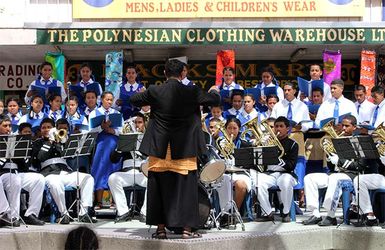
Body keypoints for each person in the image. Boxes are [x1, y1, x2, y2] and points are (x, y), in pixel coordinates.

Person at [130, 59, 220, 239]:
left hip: (160, 149)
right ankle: (187, 230)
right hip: (184, 149)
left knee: (159, 190)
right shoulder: (192, 90)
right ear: (183, 74)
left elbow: (133, 100)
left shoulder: (155, 90)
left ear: (164, 73)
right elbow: (214, 100)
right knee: (186, 191)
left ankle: (161, 230)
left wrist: (143, 93)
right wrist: (214, 91)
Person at [31, 118, 95, 224]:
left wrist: (61, 142)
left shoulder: (61, 140)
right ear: (40, 130)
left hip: (65, 172)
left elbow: (69, 156)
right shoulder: (37, 143)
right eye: (43, 128)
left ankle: (84, 212)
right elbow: (41, 157)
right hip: (49, 173)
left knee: (88, 178)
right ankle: (63, 213)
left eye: (49, 127)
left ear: (54, 129)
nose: (46, 130)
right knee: (55, 183)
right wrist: (50, 142)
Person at [252, 116, 299, 223]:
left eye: (281, 126)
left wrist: (278, 160)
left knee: (285, 182)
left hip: (286, 173)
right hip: (270, 174)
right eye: (276, 126)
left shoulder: (293, 144)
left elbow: (291, 165)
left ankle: (286, 212)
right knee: (258, 183)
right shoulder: (268, 142)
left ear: (287, 128)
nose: (278, 129)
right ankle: (268, 213)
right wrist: (260, 146)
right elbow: (259, 162)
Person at [108, 113, 147, 223]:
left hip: (142, 172)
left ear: (144, 124)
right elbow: (113, 159)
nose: (137, 125)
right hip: (126, 172)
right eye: (135, 122)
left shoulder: (148, 138)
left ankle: (145, 213)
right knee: (112, 178)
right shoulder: (124, 138)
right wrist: (119, 147)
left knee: (154, 180)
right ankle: (123, 212)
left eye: (139, 122)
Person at [89, 91, 123, 210]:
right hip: (101, 145)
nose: (109, 102)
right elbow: (90, 131)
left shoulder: (117, 113)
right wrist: (101, 128)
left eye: (111, 100)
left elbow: (122, 130)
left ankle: (113, 202)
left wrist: (112, 131)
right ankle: (99, 202)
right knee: (100, 170)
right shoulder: (94, 113)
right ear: (101, 100)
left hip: (113, 144)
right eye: (107, 99)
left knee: (113, 170)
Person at [215, 118, 252, 218]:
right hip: (225, 173)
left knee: (241, 185)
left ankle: (234, 213)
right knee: (223, 181)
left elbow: (248, 163)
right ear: (225, 129)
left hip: (240, 173)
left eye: (234, 128)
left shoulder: (245, 143)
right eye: (229, 128)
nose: (232, 131)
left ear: (239, 129)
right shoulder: (220, 142)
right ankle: (225, 212)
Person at [0, 114, 22, 226]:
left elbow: (24, 165)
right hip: (1, 172)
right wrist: (5, 156)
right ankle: (4, 213)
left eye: (9, 126)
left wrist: (18, 151)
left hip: (13, 171)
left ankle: (14, 217)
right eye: (5, 126)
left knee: (16, 181)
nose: (8, 128)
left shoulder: (14, 140)